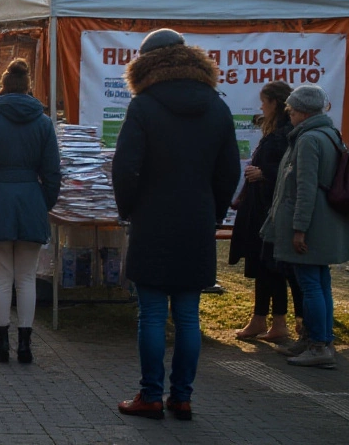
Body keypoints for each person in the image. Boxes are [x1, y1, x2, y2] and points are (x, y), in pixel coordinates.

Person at [113, 29, 240, 420]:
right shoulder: (217, 107)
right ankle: (182, 396)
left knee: (151, 313)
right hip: (197, 218)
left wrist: (128, 208)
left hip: (153, 217)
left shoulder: (144, 105)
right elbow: (229, 171)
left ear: (145, 63)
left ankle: (150, 395)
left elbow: (125, 167)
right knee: (188, 314)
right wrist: (212, 212)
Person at [0, 59, 60, 364]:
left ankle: (2, 342)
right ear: (28, 85)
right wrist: (43, 201)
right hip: (31, 198)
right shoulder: (44, 122)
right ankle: (26, 344)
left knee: (1, 278)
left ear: (2, 86)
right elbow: (53, 172)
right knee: (27, 278)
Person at [262, 84, 349, 367]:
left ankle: (318, 345)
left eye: (291, 111)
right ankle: (318, 340)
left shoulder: (308, 140)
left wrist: (299, 228)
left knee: (310, 284)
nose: (289, 115)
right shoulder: (329, 134)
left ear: (303, 112)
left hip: (311, 224)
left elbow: (304, 189)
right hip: (323, 220)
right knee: (321, 283)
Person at [229, 81, 300, 343]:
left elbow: (289, 169)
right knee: (265, 265)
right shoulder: (276, 132)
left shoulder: (284, 134)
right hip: (261, 207)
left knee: (271, 266)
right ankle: (267, 319)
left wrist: (263, 174)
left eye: (264, 101)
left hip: (270, 208)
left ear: (275, 104)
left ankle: (274, 321)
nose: (260, 106)